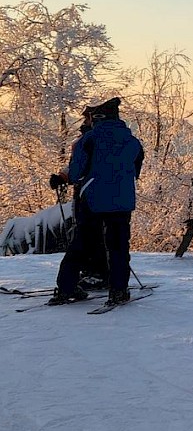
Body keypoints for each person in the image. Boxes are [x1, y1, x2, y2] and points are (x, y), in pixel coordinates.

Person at [52, 97, 145, 307]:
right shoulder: (133, 142)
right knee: (119, 246)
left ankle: (66, 288)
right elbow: (136, 170)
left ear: (97, 118)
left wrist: (63, 178)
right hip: (122, 201)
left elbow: (76, 173)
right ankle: (118, 291)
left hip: (91, 199)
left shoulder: (90, 139)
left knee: (81, 243)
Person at [48, 106, 109, 291]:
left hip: (87, 194)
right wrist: (63, 176)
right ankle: (98, 272)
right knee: (98, 234)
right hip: (99, 194)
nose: (84, 120)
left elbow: (77, 166)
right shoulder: (95, 138)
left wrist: (64, 177)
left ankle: (93, 273)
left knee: (87, 234)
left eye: (87, 117)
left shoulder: (87, 139)